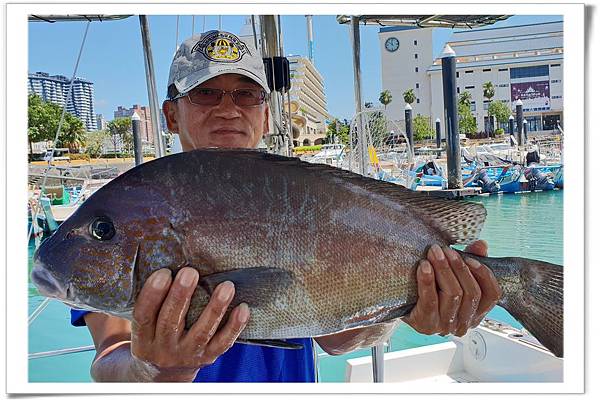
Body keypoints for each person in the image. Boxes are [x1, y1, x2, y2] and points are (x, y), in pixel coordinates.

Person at [71, 30, 501, 382]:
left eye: (246, 94)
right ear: (169, 115)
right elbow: (109, 355)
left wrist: (408, 310)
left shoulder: (310, 196)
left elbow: (336, 340)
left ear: (266, 113)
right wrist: (153, 370)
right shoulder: (127, 212)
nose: (228, 109)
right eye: (206, 94)